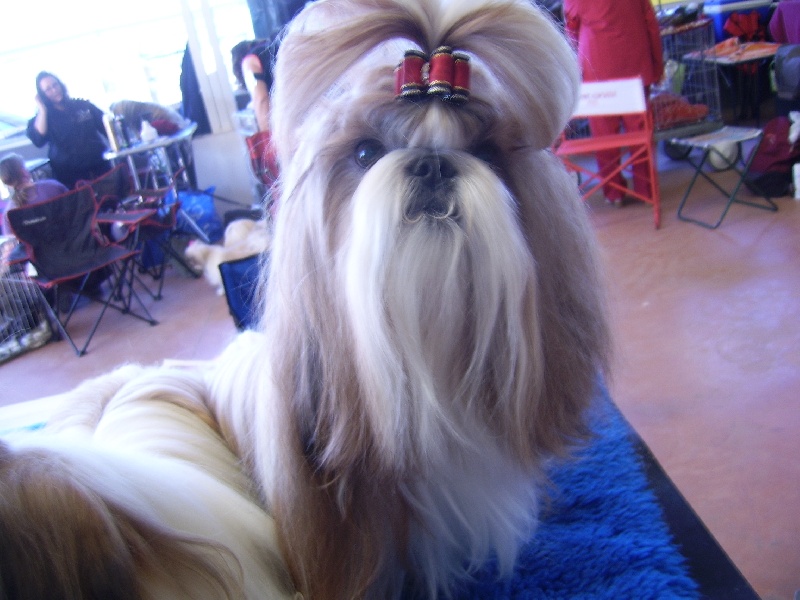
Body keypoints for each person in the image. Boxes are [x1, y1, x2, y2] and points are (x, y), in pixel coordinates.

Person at [563, 0, 664, 207]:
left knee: (604, 136)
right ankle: (645, 190)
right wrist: (657, 66)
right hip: (635, 66)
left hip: (597, 68)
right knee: (640, 132)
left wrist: (573, 68)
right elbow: (651, 23)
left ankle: (613, 192)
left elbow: (571, 32)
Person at [26, 72, 112, 189]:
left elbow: (107, 125)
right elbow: (38, 139)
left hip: (100, 167)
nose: (54, 90)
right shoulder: (43, 118)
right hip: (70, 176)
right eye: (48, 89)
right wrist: (42, 109)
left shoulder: (83, 106)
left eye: (55, 85)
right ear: (42, 95)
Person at [0, 153, 68, 236]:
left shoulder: (9, 213)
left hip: (35, 245)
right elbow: (75, 211)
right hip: (67, 240)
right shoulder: (53, 187)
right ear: (23, 171)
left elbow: (11, 241)